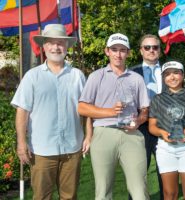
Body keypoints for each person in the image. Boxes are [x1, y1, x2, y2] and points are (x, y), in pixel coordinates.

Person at [11, 23, 87, 199]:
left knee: (69, 196)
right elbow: (22, 112)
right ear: (44, 46)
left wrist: (88, 136)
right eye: (51, 43)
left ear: (66, 46)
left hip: (72, 147)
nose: (55, 47)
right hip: (42, 149)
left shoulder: (77, 76)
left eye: (60, 42)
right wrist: (21, 143)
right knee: (42, 196)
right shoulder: (32, 76)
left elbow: (86, 109)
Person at [78, 33, 150, 200]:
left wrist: (138, 121)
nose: (118, 54)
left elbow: (145, 110)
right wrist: (110, 112)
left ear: (129, 53)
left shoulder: (137, 79)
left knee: (140, 190)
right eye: (114, 50)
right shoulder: (96, 76)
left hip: (131, 135)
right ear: (107, 51)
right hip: (103, 133)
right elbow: (82, 107)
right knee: (103, 191)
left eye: (122, 50)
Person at [148, 61, 185, 200]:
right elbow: (152, 127)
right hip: (165, 149)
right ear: (164, 78)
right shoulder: (158, 99)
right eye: (168, 74)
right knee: (170, 194)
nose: (172, 77)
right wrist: (162, 133)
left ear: (183, 75)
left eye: (176, 73)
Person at [131, 34, 164, 199]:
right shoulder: (131, 73)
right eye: (147, 47)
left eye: (155, 47)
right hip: (140, 128)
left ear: (160, 50)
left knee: (165, 173)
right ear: (141, 51)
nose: (151, 50)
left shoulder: (169, 70)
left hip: (164, 128)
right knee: (137, 174)